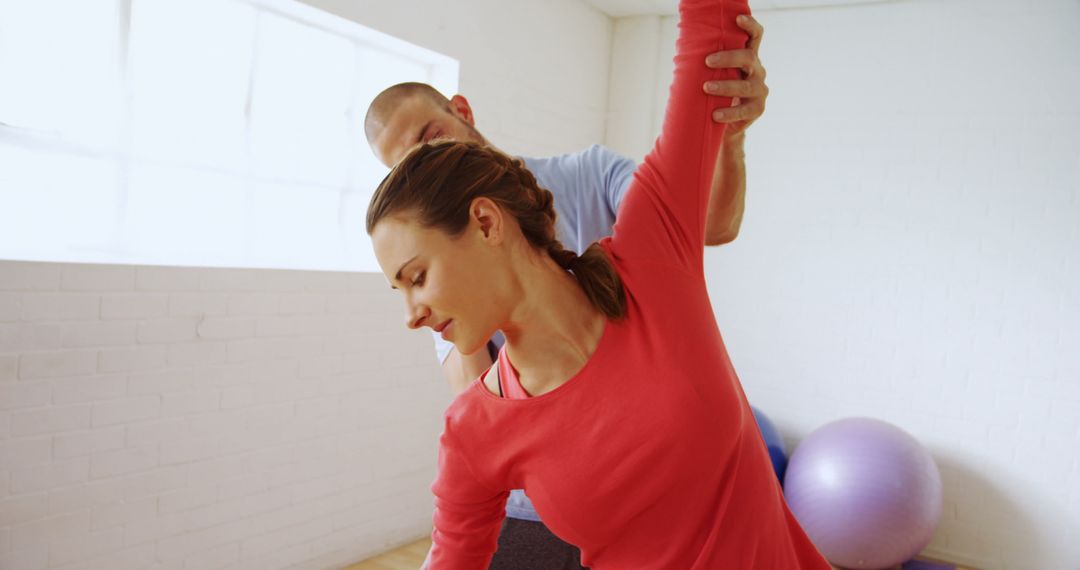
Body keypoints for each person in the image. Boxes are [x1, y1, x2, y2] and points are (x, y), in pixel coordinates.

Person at [365, 0, 830, 565]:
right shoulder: (472, 426)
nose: (410, 315)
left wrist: (728, 130)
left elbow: (711, 58)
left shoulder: (648, 255)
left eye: (416, 278)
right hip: (542, 518)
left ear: (486, 222)